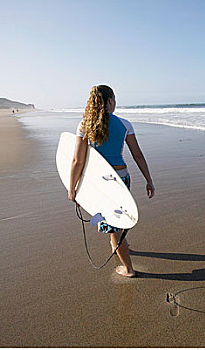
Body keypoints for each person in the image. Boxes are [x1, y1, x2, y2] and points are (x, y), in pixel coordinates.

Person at [68, 85, 155, 277]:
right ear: (109, 101)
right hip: (122, 179)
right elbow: (137, 155)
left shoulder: (85, 126)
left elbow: (77, 160)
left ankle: (128, 268)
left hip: (100, 183)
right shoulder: (125, 124)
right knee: (118, 219)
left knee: (115, 227)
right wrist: (149, 180)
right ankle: (118, 243)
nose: (115, 103)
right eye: (114, 99)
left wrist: (72, 187)